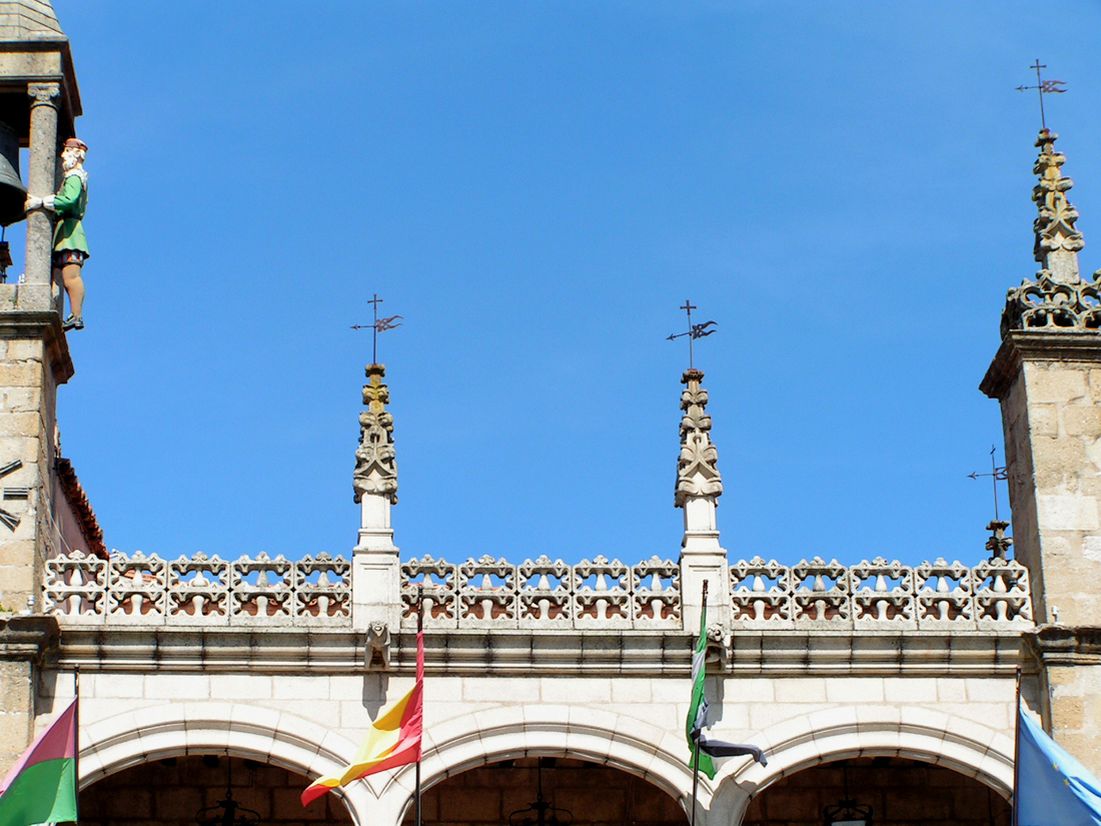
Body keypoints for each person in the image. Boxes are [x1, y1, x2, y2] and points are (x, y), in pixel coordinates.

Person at [25, 137, 90, 331]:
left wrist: (43, 201)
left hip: (71, 235)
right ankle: (63, 311)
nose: (63, 155)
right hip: (63, 234)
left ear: (76, 154)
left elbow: (69, 200)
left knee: (71, 276)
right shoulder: (73, 177)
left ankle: (76, 316)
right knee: (57, 275)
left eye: (67, 151)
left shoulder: (74, 177)